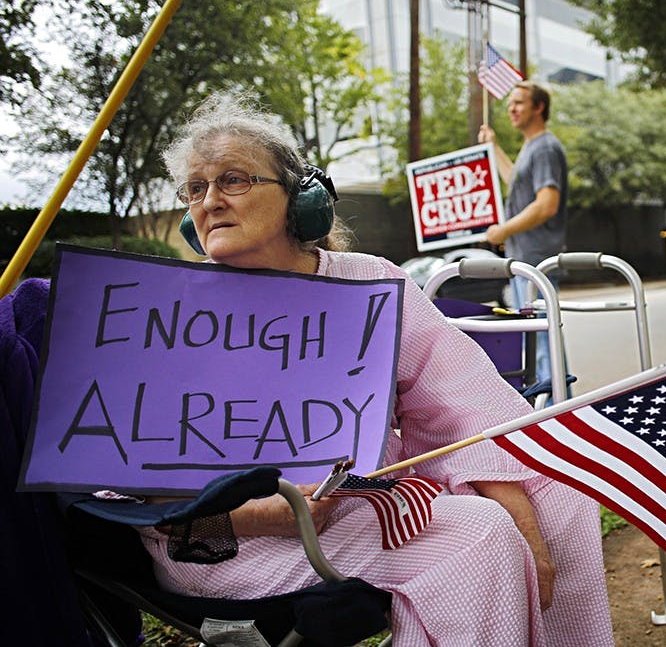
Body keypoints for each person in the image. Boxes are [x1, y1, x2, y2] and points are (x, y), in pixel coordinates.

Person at [146, 92, 613, 646]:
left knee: (559, 494)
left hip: (356, 503)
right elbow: (142, 497)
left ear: (301, 199)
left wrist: (522, 510)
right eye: (196, 189)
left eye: (234, 180)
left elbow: (460, 398)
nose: (211, 201)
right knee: (477, 537)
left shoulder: (368, 279)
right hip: (228, 540)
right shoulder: (169, 312)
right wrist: (271, 514)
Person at [478, 81, 568, 390]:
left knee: (543, 345)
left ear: (538, 107)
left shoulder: (545, 147)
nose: (511, 109)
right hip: (525, 262)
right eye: (509, 104)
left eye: (518, 103)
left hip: (536, 263)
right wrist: (495, 146)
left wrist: (503, 230)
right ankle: (555, 409)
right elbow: (513, 178)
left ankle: (558, 413)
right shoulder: (533, 147)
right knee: (538, 344)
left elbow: (546, 205)